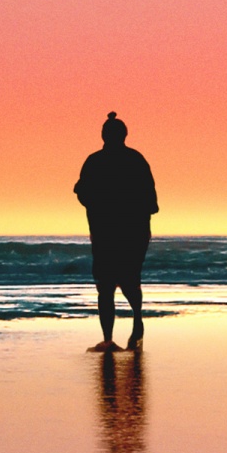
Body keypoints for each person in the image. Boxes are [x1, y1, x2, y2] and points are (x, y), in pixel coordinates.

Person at [74, 112, 158, 351]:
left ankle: (110, 336)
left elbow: (83, 194)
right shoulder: (136, 160)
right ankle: (135, 320)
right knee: (129, 280)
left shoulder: (94, 161)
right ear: (124, 135)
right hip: (133, 233)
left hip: (105, 232)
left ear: (104, 135)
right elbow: (152, 203)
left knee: (106, 285)